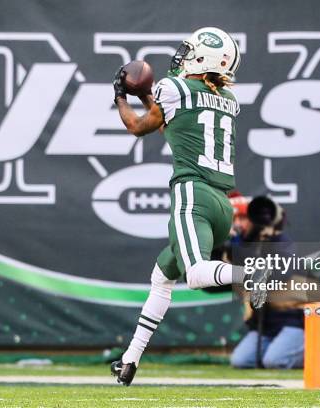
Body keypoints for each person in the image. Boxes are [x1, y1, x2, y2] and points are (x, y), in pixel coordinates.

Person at [109, 27, 266, 386]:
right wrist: (149, 95)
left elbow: (137, 126)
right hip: (221, 205)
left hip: (192, 194)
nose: (182, 56)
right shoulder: (226, 98)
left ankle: (249, 275)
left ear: (203, 58)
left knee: (195, 274)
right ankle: (130, 361)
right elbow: (171, 127)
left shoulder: (174, 87)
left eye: (190, 51)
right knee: (162, 277)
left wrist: (120, 95)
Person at [228, 196, 305, 369]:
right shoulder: (245, 247)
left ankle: (313, 350)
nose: (239, 224)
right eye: (235, 220)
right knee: (240, 361)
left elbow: (277, 277)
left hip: (293, 320)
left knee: (274, 361)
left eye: (243, 219)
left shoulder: (283, 244)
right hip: (265, 324)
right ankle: (279, 349)